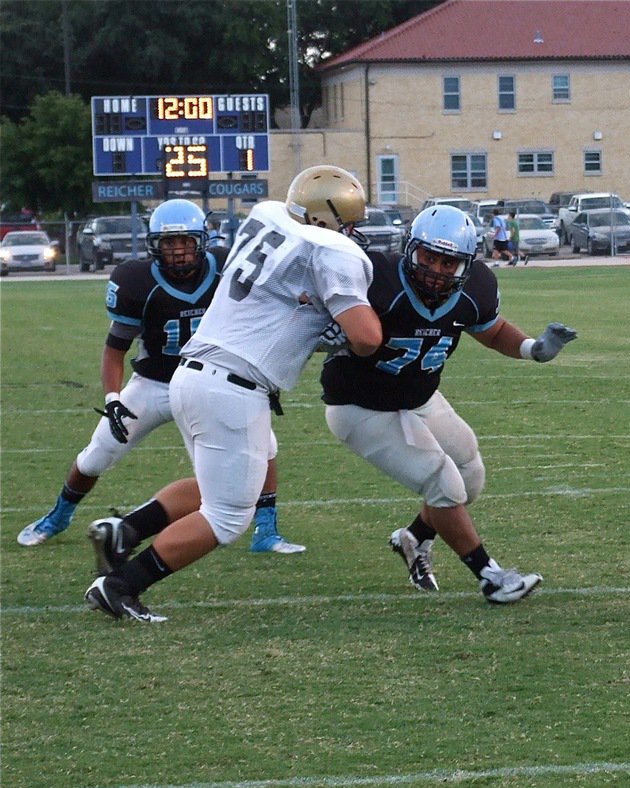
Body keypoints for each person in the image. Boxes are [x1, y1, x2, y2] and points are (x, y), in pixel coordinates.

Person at [83, 165, 383, 622]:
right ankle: (122, 584)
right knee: (227, 518)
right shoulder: (333, 249)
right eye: (349, 222)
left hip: (193, 373)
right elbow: (365, 338)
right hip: (233, 387)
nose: (353, 232)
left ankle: (125, 531)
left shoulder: (266, 214)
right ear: (326, 219)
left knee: (215, 488)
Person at [17, 199, 304, 557]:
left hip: (215, 383)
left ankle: (266, 529)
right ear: (154, 245)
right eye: (169, 243)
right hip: (156, 384)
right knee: (96, 455)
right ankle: (59, 515)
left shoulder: (227, 265)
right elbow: (115, 348)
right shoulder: (136, 281)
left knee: (265, 448)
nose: (178, 251)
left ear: (202, 240)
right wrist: (112, 399)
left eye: (185, 242)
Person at [321, 205, 577, 602]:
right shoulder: (377, 278)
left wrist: (532, 349)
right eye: (429, 257)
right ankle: (491, 577)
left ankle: (413, 537)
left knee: (469, 474)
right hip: (360, 405)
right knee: (442, 481)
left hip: (418, 396)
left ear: (466, 264)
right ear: (411, 250)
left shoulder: (475, 288)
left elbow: (491, 332)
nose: (437, 270)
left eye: (448, 262)